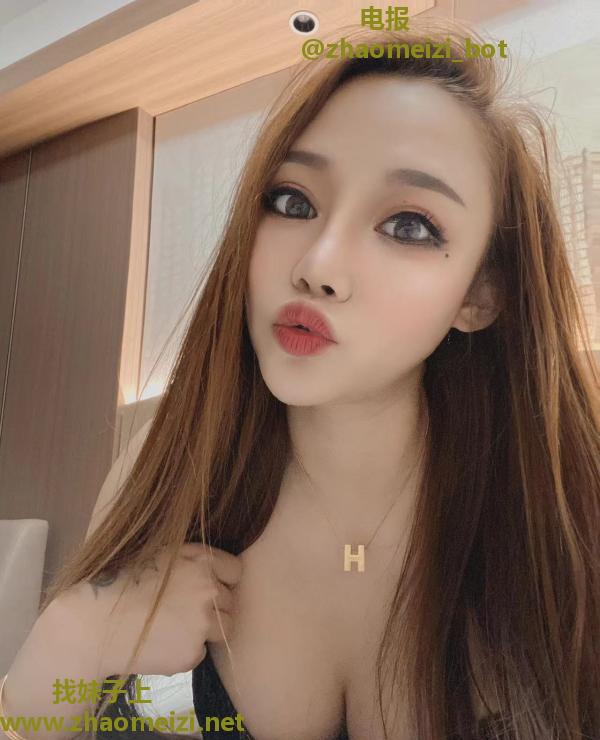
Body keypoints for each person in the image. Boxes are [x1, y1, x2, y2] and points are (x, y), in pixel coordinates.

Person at [2, 15, 599, 740]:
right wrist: (75, 635)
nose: (317, 266)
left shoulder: (561, 515)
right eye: (293, 202)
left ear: (480, 295)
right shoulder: (169, 468)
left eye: (409, 226)